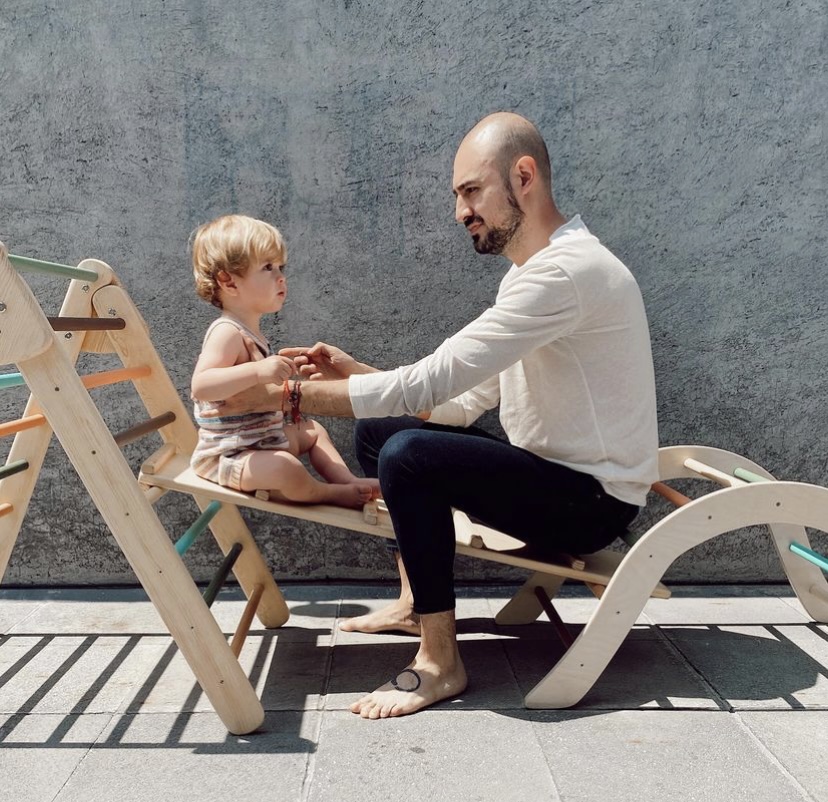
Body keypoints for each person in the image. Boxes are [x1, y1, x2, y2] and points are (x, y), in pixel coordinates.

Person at [224, 112, 659, 720]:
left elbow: (433, 379)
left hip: (589, 503)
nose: (461, 211)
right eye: (458, 196)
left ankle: (440, 662)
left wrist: (285, 395)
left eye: (470, 191)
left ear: (524, 176)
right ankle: (413, 602)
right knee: (385, 433)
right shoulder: (532, 276)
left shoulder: (565, 273)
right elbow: (459, 402)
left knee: (411, 456)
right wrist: (354, 373)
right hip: (550, 478)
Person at [189, 214, 378, 508]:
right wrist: (257, 370)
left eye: (280, 267)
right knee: (285, 469)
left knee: (312, 431)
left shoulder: (252, 332)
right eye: (267, 267)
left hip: (262, 440)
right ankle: (325, 493)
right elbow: (201, 386)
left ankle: (346, 480)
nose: (280, 276)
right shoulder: (226, 332)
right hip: (229, 455)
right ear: (228, 281)